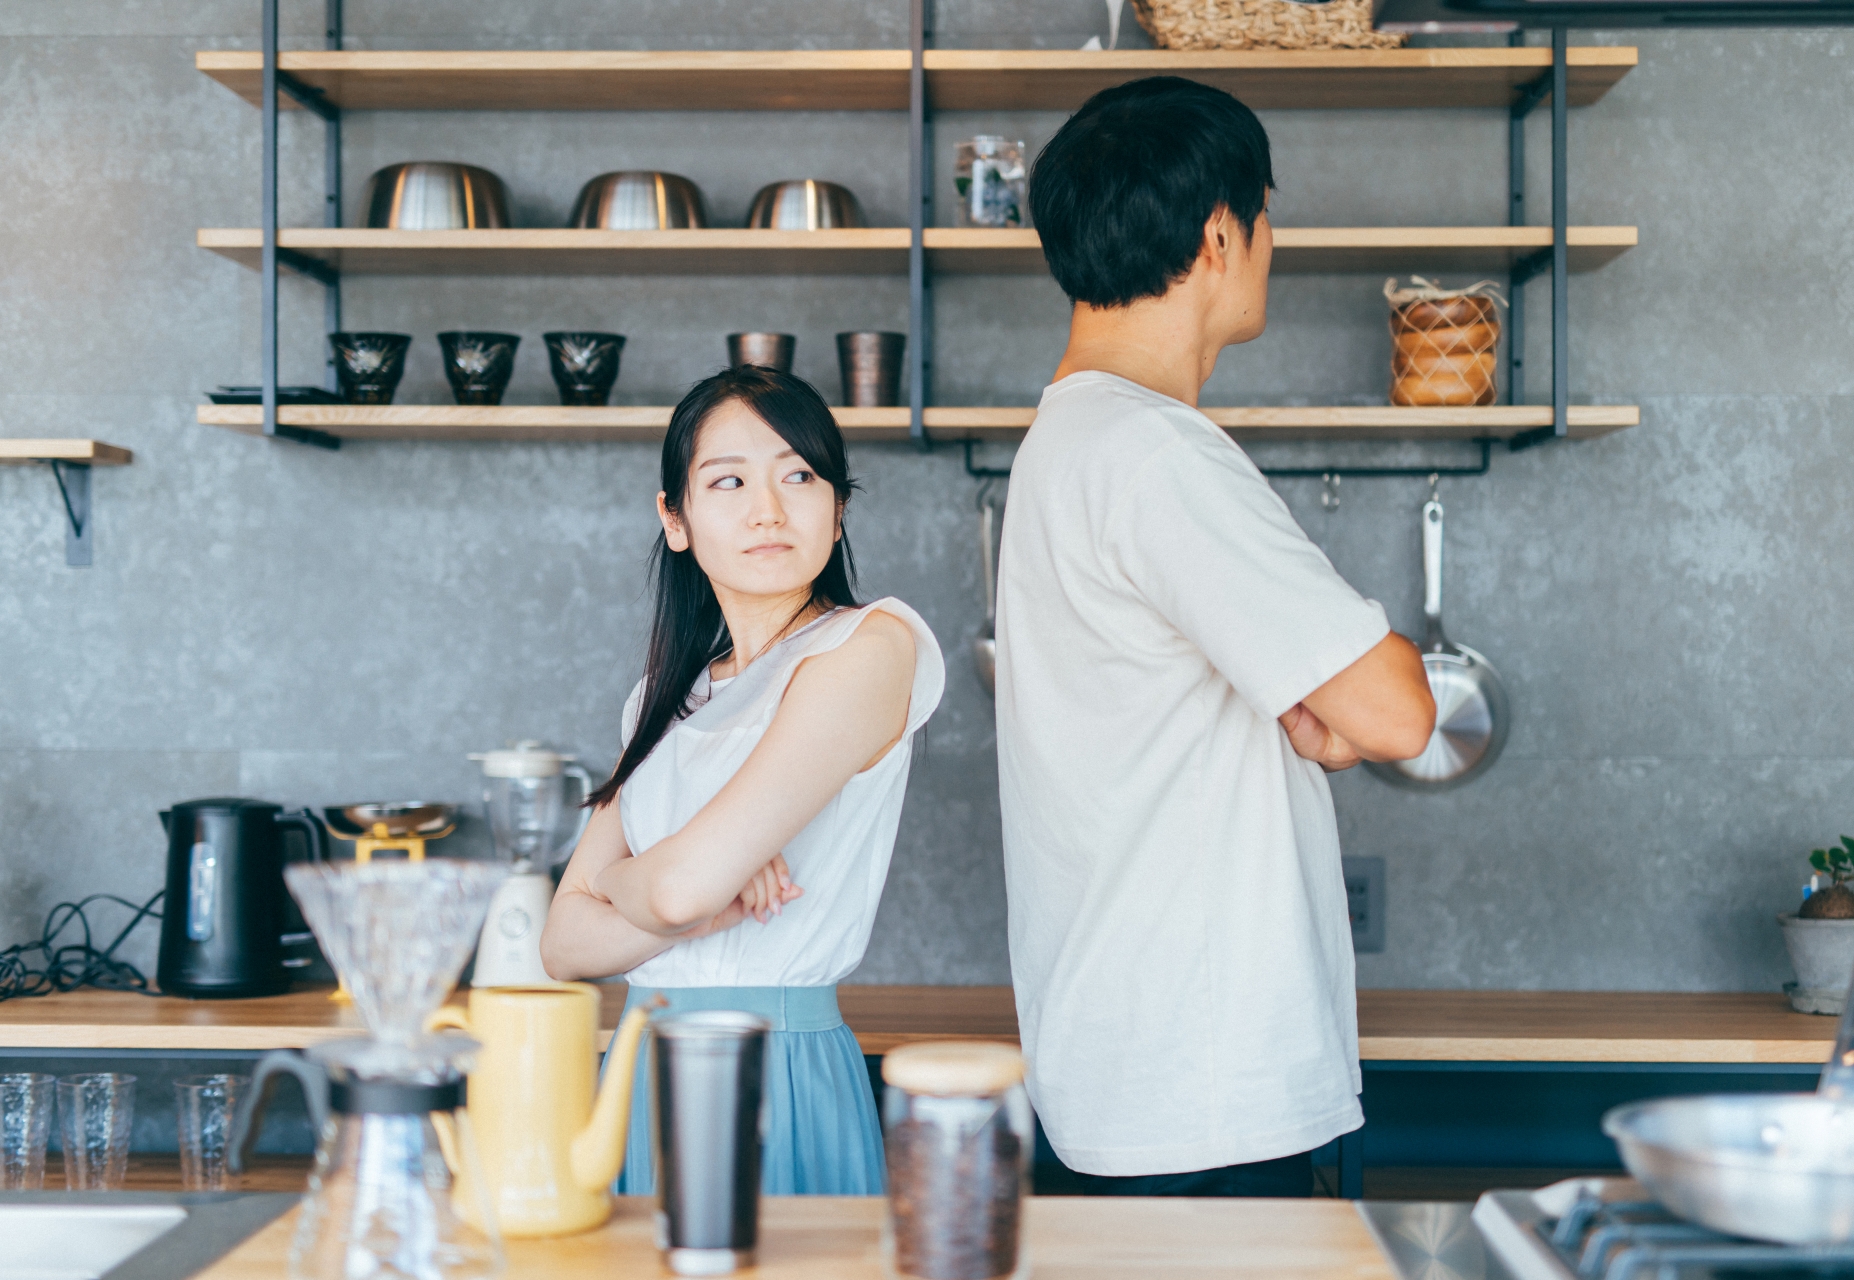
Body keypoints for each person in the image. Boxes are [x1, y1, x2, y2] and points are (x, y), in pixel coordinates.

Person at [995, 76, 1439, 1197]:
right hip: (1198, 1097)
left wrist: (1315, 703)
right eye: (1269, 217)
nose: (1273, 245)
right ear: (1220, 234)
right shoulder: (1157, 455)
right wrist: (1337, 708)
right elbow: (1398, 710)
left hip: (1132, 1074)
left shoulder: (1070, 440)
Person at [541, 364, 945, 1196]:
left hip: (779, 1063)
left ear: (839, 513)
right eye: (728, 480)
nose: (768, 509)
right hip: (641, 1065)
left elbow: (674, 892)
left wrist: (625, 880)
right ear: (676, 518)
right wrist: (689, 887)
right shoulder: (663, 700)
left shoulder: (869, 647)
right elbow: (562, 945)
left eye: (800, 476)